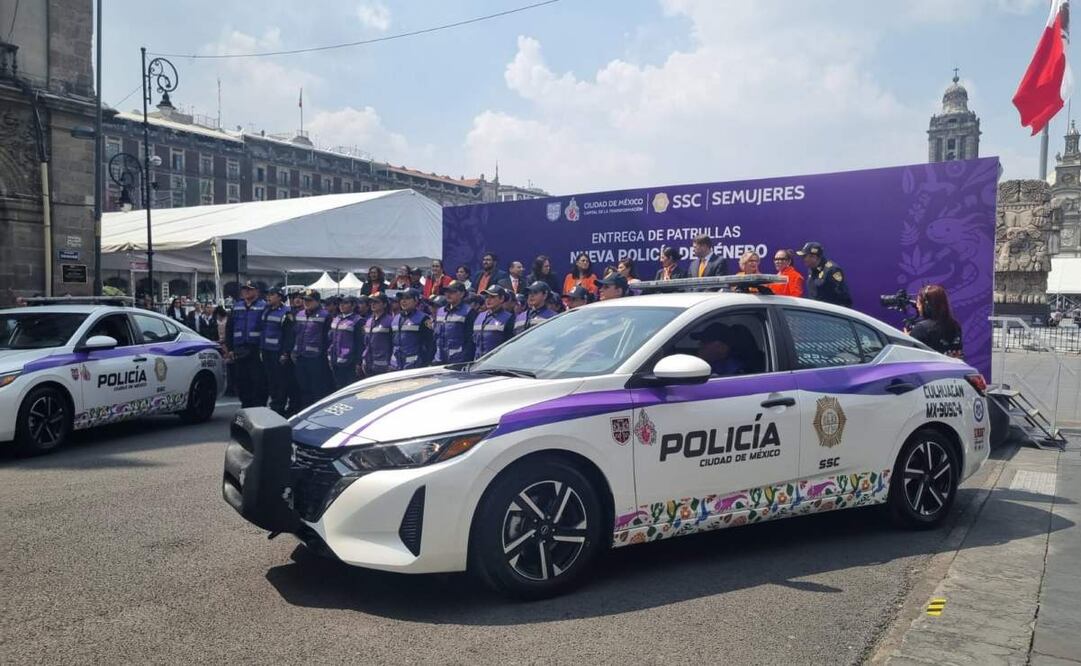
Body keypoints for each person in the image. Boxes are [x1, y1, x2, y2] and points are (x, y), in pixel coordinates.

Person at [224, 281, 267, 408]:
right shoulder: (237, 306)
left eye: (250, 289)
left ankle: (259, 407)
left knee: (258, 380)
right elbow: (229, 328)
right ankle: (246, 405)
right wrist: (230, 348)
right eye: (244, 289)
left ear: (257, 291)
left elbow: (266, 328)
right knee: (241, 380)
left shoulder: (263, 306)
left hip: (255, 349)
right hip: (239, 349)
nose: (246, 291)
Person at [291, 289, 331, 409]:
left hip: (317, 358)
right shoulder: (300, 314)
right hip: (301, 356)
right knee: (303, 387)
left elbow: (327, 338)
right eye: (305, 300)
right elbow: (295, 334)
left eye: (309, 300)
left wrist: (324, 356)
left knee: (317, 388)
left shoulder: (325, 316)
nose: (306, 302)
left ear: (317, 301)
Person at [260, 287, 294, 415]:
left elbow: (289, 335)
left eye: (272, 295)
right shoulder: (266, 310)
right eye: (268, 294)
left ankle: (279, 407)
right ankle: (274, 404)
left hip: (278, 352)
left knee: (280, 381)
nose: (269, 297)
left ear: (280, 297)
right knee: (271, 379)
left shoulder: (286, 312)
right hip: (267, 350)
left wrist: (285, 352)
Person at [905, 284, 964, 358]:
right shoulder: (955, 325)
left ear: (926, 305)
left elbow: (910, 356)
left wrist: (908, 339)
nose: (917, 305)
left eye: (919, 302)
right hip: (954, 368)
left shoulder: (921, 328)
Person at [433, 280, 476, 364]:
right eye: (446, 292)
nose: (448, 294)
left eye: (452, 292)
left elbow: (470, 340)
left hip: (459, 360)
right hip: (439, 359)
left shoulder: (469, 312)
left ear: (462, 294)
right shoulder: (441, 311)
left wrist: (466, 359)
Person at [797, 241, 852, 307]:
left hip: (828, 313)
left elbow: (844, 298)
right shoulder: (812, 269)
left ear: (814, 257)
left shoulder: (832, 270)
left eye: (804, 256)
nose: (803, 259)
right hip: (815, 311)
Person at [327, 295, 365, 389]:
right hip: (335, 361)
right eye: (340, 303)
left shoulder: (358, 321)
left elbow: (360, 344)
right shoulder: (337, 319)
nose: (341, 305)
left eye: (345, 303)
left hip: (350, 363)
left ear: (353, 305)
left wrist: (358, 363)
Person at [390, 288, 433, 370]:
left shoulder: (424, 318)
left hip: (414, 365)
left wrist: (427, 362)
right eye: (401, 298)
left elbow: (429, 343)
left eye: (407, 298)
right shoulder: (395, 318)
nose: (403, 301)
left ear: (416, 300)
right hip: (395, 365)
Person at [473, 285, 514, 357]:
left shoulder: (508, 318)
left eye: (492, 297)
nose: (488, 300)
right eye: (487, 297)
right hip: (478, 362)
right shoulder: (479, 316)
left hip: (496, 362)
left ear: (501, 299)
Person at [362, 293, 394, 377]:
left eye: (376, 302)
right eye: (371, 302)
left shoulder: (390, 321)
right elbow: (365, 343)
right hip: (368, 364)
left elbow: (394, 343)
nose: (372, 304)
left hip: (384, 366)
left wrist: (392, 363)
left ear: (384, 304)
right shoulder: (368, 321)